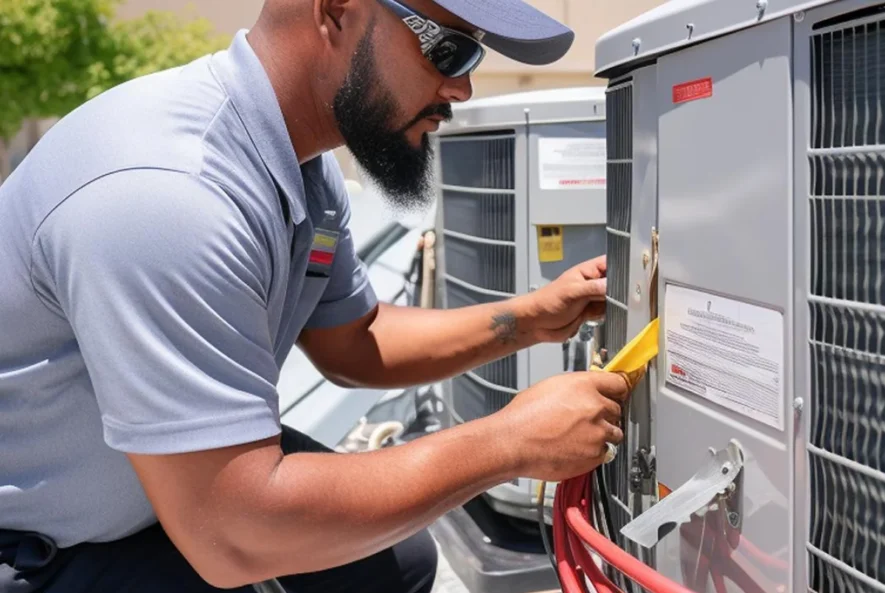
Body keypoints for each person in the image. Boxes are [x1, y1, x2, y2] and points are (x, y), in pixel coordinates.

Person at [0, 0, 630, 591]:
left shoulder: (305, 165)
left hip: (163, 494)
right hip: (43, 550)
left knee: (397, 565)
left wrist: (529, 318)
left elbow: (355, 341)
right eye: (448, 50)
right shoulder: (168, 193)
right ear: (335, 10)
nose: (461, 87)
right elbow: (234, 535)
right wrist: (511, 444)